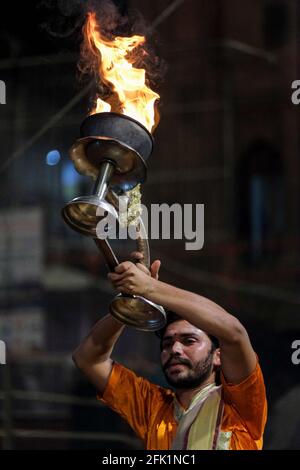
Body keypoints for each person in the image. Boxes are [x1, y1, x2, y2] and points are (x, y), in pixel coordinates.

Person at [72, 254, 267, 450]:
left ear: (218, 356)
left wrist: (149, 288)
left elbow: (234, 332)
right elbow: (88, 359)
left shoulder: (239, 404)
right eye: (167, 343)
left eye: (189, 341)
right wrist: (131, 302)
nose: (174, 349)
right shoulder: (153, 408)